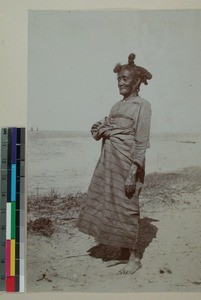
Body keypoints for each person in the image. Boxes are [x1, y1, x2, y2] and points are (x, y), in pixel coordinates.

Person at [77, 53, 152, 274]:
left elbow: (141, 141)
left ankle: (135, 258)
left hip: (128, 166)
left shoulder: (143, 106)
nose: (120, 82)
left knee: (128, 208)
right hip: (110, 166)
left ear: (137, 81)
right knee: (113, 206)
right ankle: (121, 252)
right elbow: (109, 128)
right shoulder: (116, 106)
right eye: (118, 78)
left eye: (125, 78)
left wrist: (132, 173)